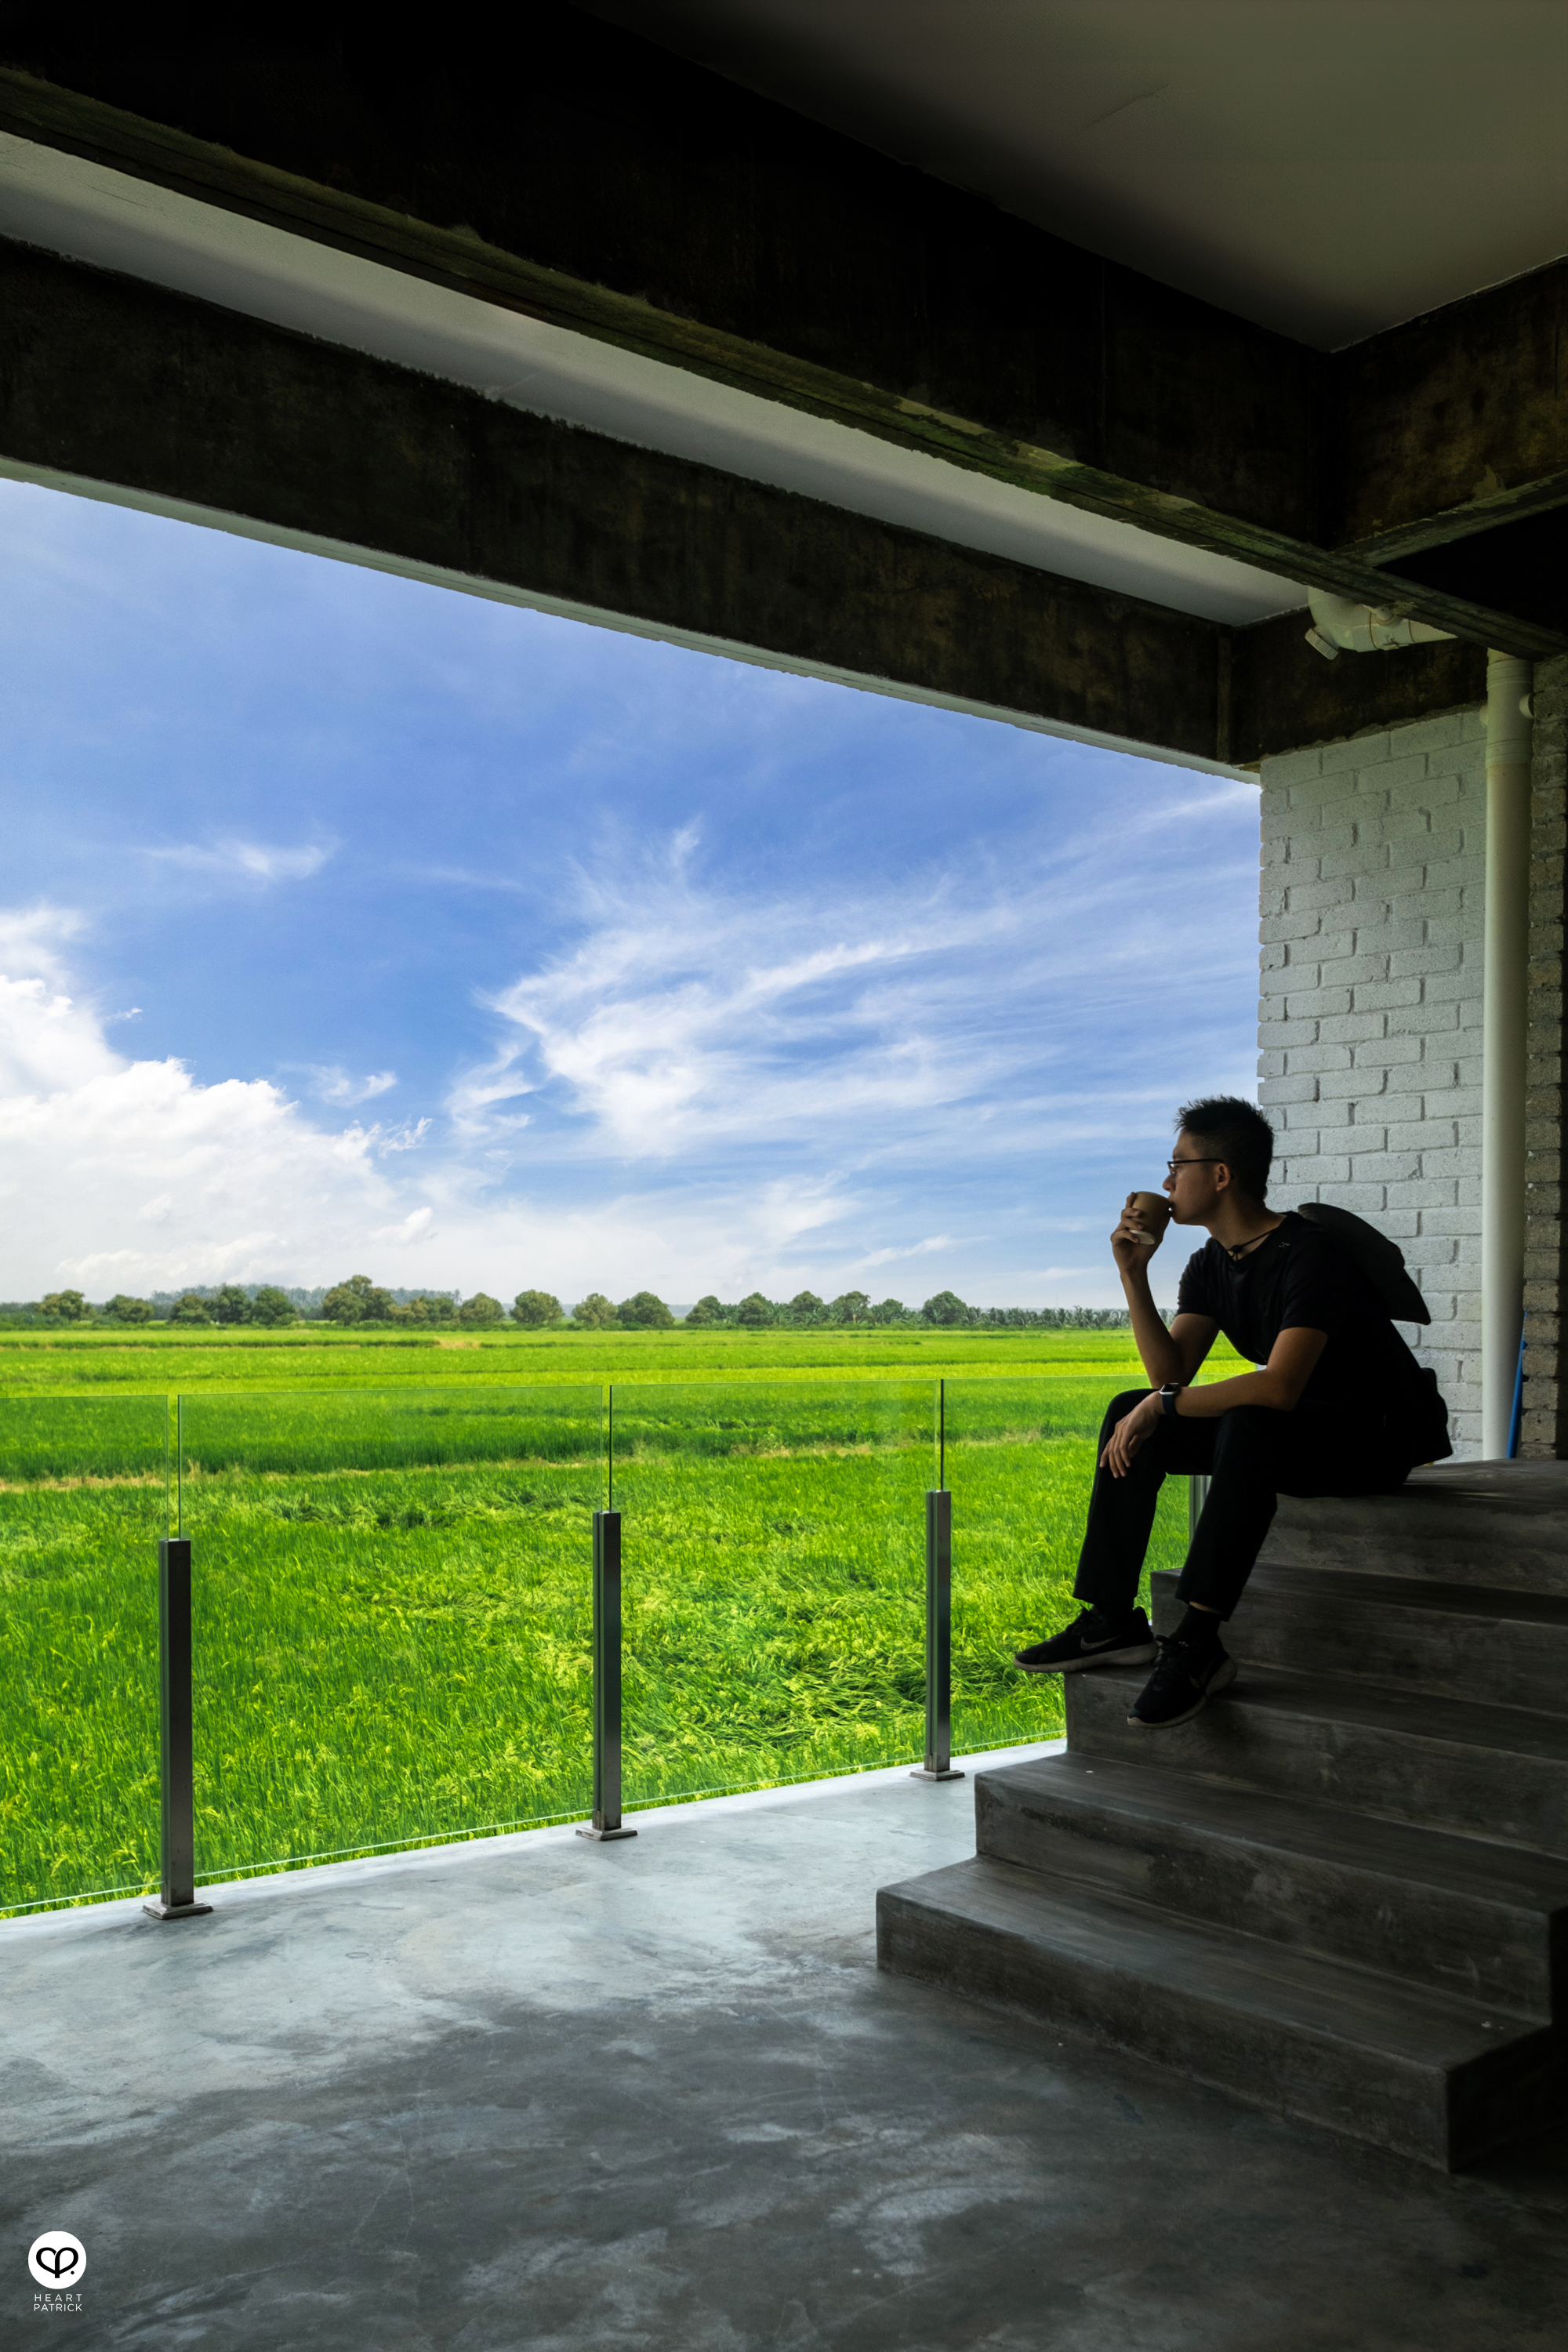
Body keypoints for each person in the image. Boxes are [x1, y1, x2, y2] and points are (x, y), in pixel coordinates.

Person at [1011, 1094, 1450, 1729]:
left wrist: (1164, 1404)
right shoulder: (1212, 1263)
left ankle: (1197, 1642)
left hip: (1369, 1439)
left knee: (1247, 1418)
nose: (1166, 1184)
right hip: (1291, 1430)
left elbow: (1280, 1388)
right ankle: (1112, 1619)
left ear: (1220, 1175)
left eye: (1177, 1165)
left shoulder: (1311, 1253)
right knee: (1129, 1408)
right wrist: (1133, 1275)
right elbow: (1168, 1378)